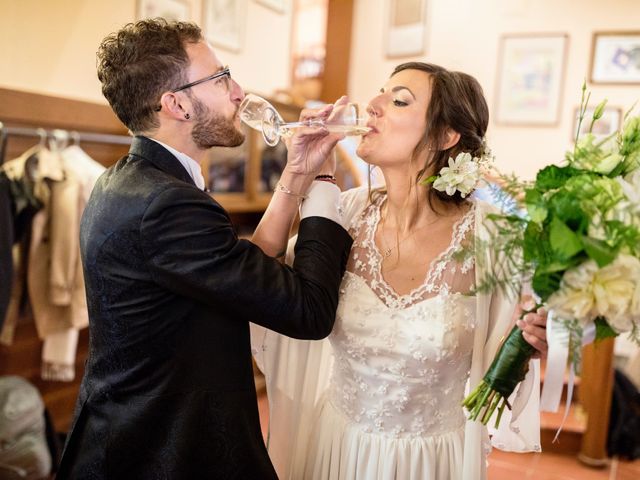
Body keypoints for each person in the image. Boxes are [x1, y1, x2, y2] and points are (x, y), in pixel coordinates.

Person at [56, 19, 353, 479]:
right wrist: (325, 182)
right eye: (220, 78)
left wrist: (296, 173)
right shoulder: (167, 205)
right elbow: (309, 310)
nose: (238, 92)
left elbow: (241, 264)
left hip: (126, 431)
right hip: (160, 450)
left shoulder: (128, 180)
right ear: (175, 104)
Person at [251, 62, 548, 480]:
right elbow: (257, 285)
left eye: (398, 100)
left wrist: (536, 337)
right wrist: (298, 172)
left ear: (447, 136)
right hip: (335, 450)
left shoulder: (491, 237)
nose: (372, 105)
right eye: (379, 92)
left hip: (430, 462)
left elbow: (521, 341)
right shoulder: (345, 214)